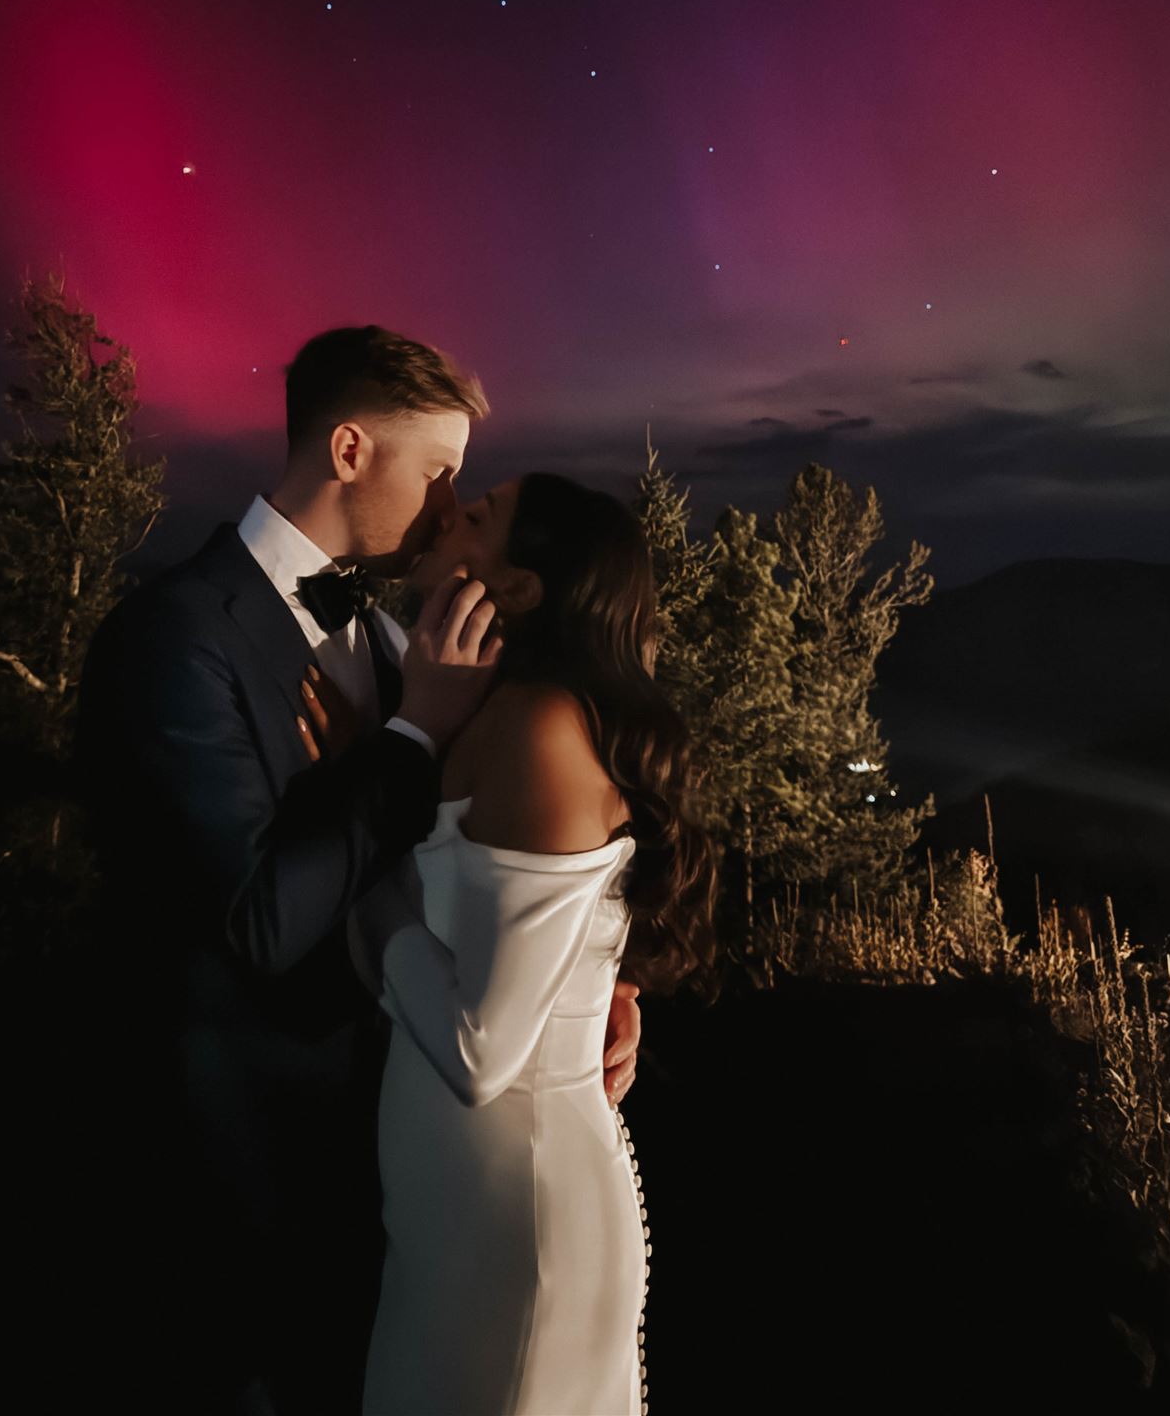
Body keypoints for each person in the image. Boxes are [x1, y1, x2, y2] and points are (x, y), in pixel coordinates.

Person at [72, 326, 646, 1414]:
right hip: (249, 1196)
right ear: (347, 450)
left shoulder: (394, 644)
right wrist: (410, 740)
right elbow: (253, 917)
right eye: (437, 473)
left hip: (409, 1193)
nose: (446, 509)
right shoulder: (172, 636)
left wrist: (590, 982)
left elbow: (519, 845)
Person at [322, 471, 722, 1415]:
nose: (450, 501)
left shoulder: (541, 726)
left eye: (478, 515)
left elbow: (482, 1049)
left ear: (522, 589)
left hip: (517, 1224)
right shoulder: (496, 711)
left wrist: (368, 881)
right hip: (456, 1213)